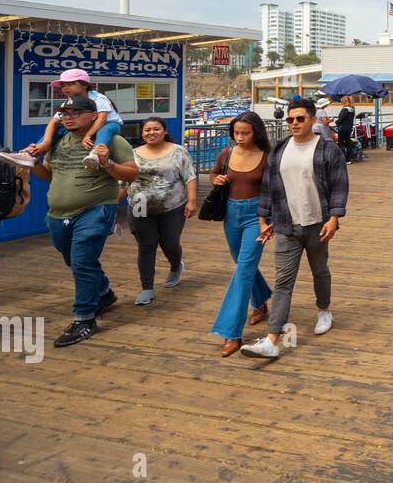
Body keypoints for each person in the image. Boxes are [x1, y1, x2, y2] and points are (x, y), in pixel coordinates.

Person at [240, 98, 348, 359]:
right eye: (290, 119)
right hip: (287, 225)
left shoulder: (328, 150)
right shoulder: (279, 149)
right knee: (283, 281)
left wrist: (334, 218)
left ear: (312, 119)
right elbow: (268, 186)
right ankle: (272, 339)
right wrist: (263, 219)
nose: (295, 123)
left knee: (319, 270)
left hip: (317, 223)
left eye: (300, 119)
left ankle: (324, 310)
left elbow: (339, 186)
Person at [30, 94, 138, 346]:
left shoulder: (112, 140)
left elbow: (132, 173)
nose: (68, 117)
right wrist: (32, 163)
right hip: (58, 214)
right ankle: (103, 292)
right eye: (65, 114)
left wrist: (107, 163)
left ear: (94, 116)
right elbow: (48, 174)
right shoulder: (58, 141)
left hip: (95, 209)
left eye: (75, 113)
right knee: (74, 259)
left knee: (82, 260)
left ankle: (84, 319)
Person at [210, 112, 273, 357]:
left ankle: (231, 332)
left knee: (243, 270)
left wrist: (267, 221)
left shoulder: (267, 157)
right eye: (236, 133)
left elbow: (272, 192)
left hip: (256, 216)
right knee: (242, 264)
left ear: (256, 132)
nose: (239, 137)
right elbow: (213, 174)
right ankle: (260, 302)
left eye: (245, 133)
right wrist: (217, 179)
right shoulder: (226, 154)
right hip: (230, 214)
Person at [128, 117, 196, 306]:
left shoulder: (177, 151)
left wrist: (191, 201)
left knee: (170, 242)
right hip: (140, 206)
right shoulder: (132, 153)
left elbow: (189, 176)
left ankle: (176, 266)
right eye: (147, 130)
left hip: (172, 206)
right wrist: (110, 207)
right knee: (146, 245)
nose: (151, 132)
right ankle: (147, 288)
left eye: (156, 129)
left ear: (164, 131)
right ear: (142, 133)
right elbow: (123, 181)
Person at [23, 69, 125, 172]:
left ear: (84, 85)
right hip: (88, 126)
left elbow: (102, 118)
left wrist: (88, 135)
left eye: (70, 84)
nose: (65, 88)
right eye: (63, 86)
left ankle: (95, 155)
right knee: (58, 129)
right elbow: (53, 122)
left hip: (109, 123)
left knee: (105, 130)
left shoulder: (98, 98)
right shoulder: (69, 102)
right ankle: (31, 153)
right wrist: (46, 143)